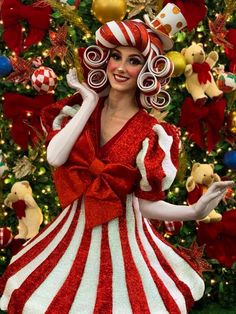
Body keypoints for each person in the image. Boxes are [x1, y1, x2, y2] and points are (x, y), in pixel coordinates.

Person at [0, 18, 233, 314]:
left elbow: (137, 204)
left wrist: (194, 211)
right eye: (115, 56)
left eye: (133, 60)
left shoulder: (152, 134)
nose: (121, 67)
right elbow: (55, 157)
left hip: (125, 253)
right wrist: (87, 103)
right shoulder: (81, 112)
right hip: (70, 241)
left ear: (147, 70)